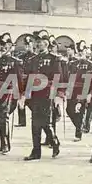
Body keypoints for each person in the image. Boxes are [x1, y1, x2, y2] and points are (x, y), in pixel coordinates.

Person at [22, 30, 61, 161]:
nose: (38, 45)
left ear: (46, 43)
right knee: (35, 124)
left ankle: (54, 142)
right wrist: (26, 95)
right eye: (36, 42)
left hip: (46, 94)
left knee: (46, 123)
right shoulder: (33, 59)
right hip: (35, 95)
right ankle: (36, 152)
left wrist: (55, 95)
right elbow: (29, 78)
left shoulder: (54, 59)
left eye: (40, 42)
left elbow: (57, 78)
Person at [0, 33, 23, 154]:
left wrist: (21, 96)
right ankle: (3, 143)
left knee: (4, 118)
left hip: (8, 94)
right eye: (1, 44)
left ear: (10, 46)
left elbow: (20, 80)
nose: (3, 47)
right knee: (0, 118)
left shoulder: (16, 62)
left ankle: (6, 145)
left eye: (5, 45)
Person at [65, 40, 92, 142]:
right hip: (73, 90)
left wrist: (90, 92)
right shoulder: (73, 63)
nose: (81, 54)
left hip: (84, 89)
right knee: (69, 109)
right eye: (79, 52)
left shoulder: (90, 64)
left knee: (80, 111)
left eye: (83, 52)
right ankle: (80, 126)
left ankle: (78, 133)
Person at [16, 35, 36, 127]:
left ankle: (37, 117)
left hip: (31, 81)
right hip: (22, 81)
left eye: (29, 45)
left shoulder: (36, 57)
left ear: (32, 45)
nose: (27, 47)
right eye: (26, 45)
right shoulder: (21, 56)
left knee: (31, 102)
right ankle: (22, 121)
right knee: (20, 100)